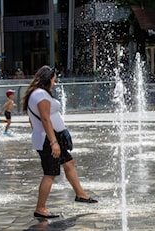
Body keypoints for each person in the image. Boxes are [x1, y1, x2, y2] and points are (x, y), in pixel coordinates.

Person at [22, 65, 98, 219]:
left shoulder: (35, 94)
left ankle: (80, 194)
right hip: (49, 139)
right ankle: (40, 208)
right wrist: (53, 142)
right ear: (47, 79)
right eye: (53, 80)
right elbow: (44, 119)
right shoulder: (41, 95)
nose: (54, 83)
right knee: (50, 173)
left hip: (49, 137)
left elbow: (32, 119)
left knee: (69, 163)